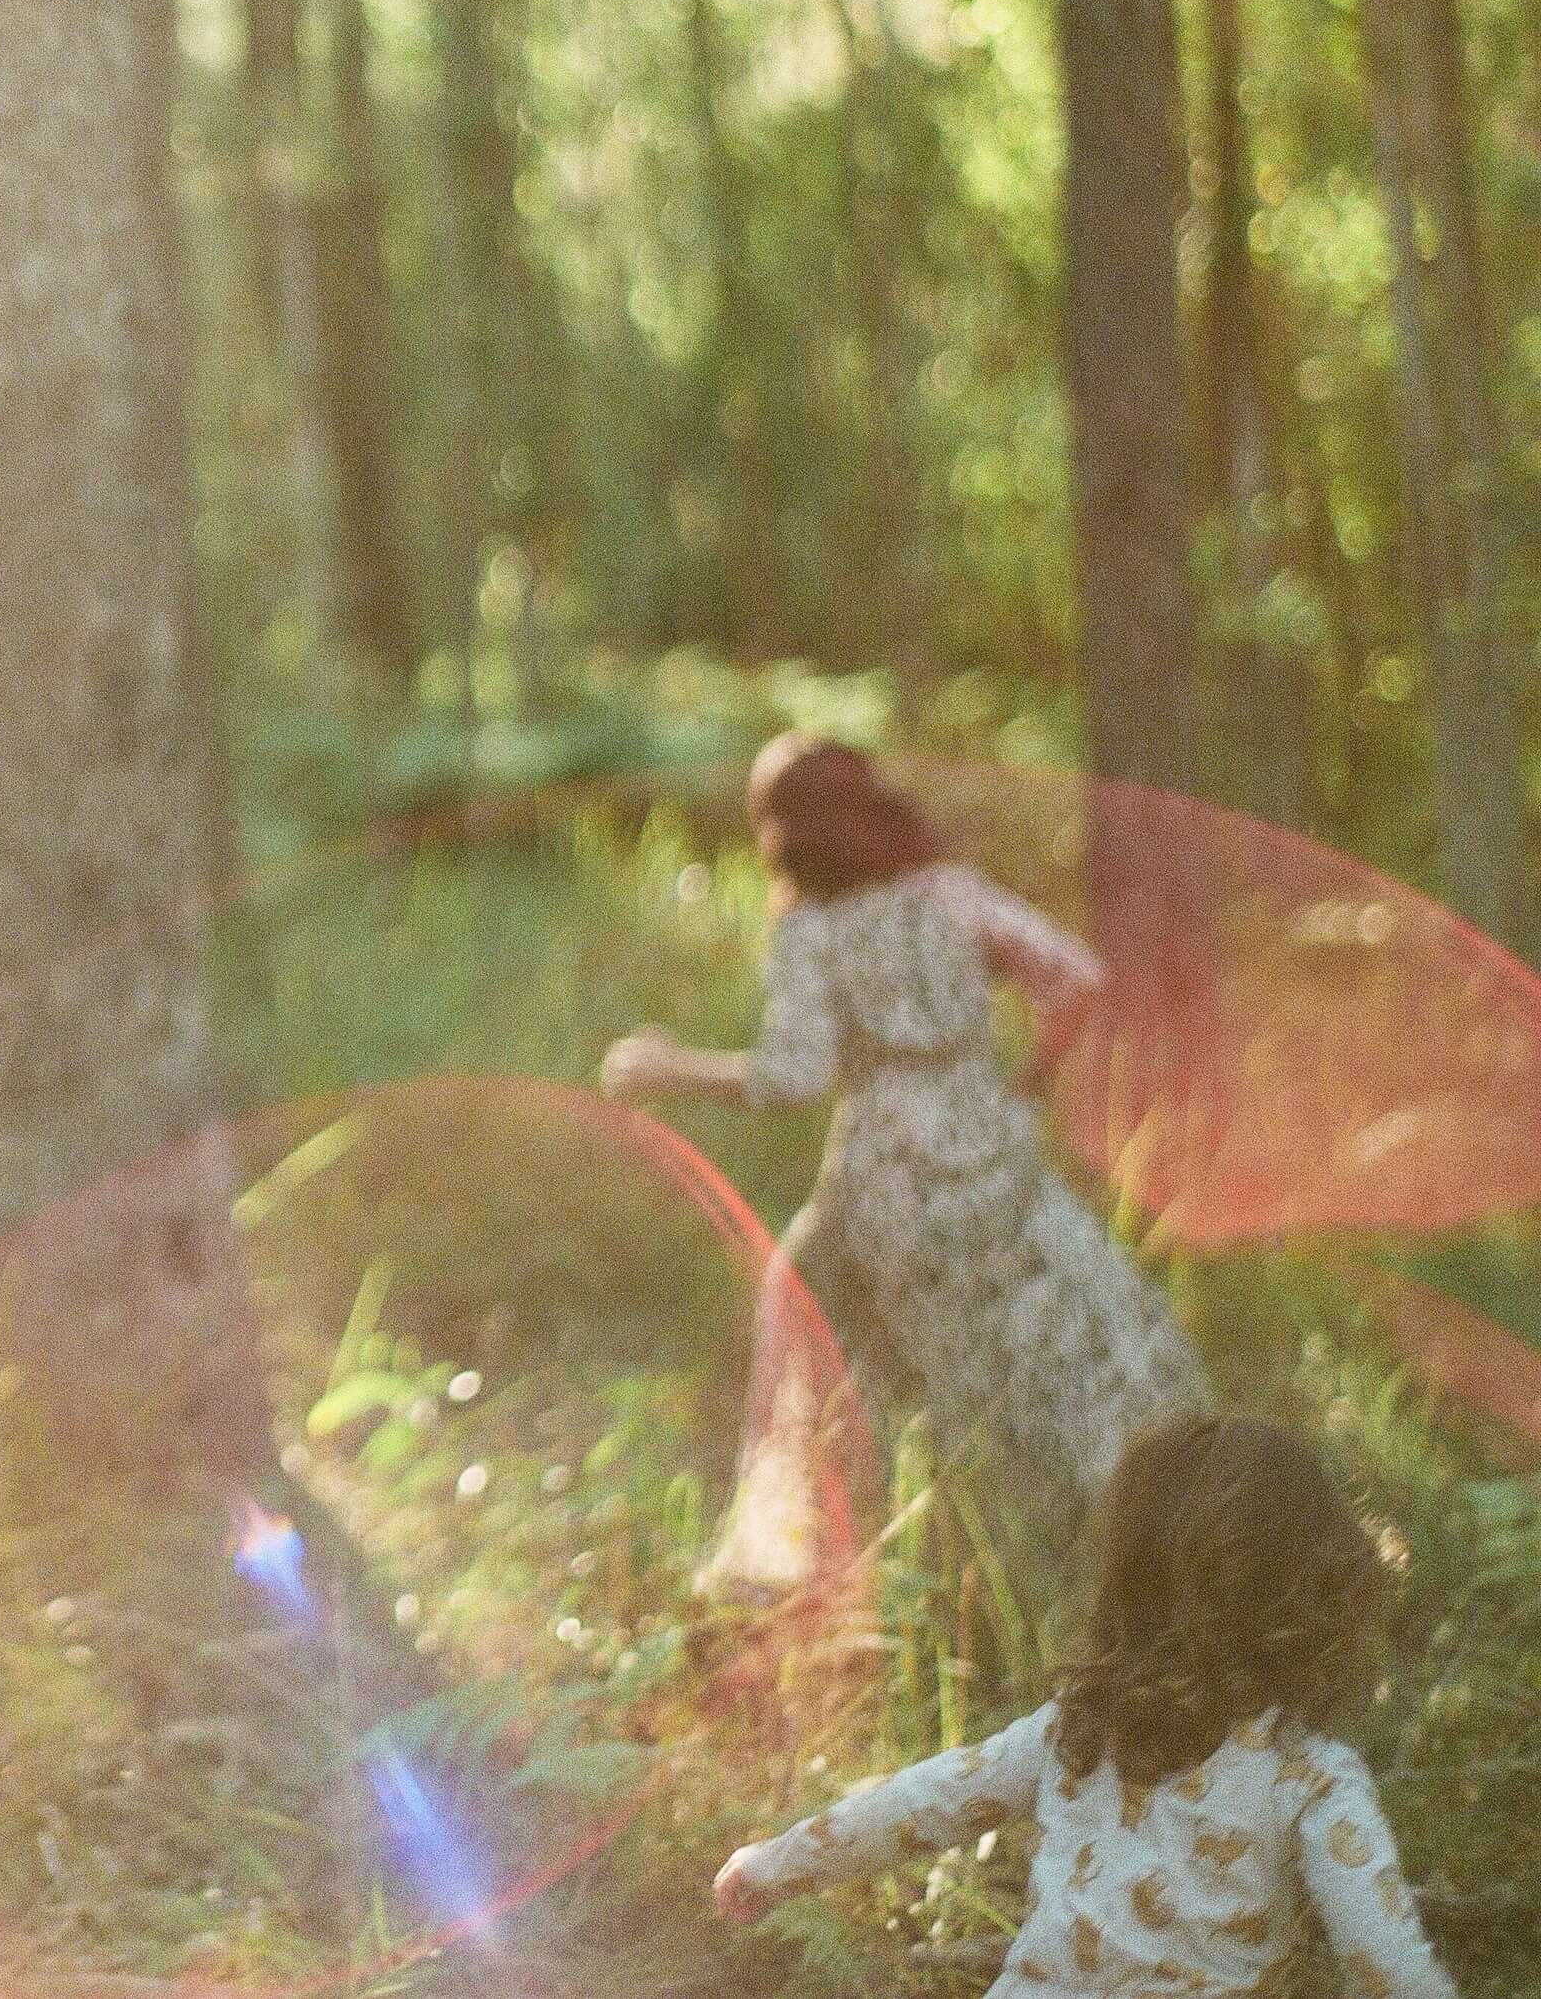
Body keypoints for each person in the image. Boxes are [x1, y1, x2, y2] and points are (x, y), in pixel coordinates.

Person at [601, 734, 1202, 1590]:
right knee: (1047, 1318)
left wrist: (670, 1066)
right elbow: (1077, 981)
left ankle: (802, 1560)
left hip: (892, 1172)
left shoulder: (816, 931)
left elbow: (794, 1075)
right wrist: (1021, 1082)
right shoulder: (952, 896)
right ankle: (1107, 1516)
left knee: (817, 1316)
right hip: (991, 1143)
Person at [712, 1413, 1461, 1999]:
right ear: (1317, 1595)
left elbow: (920, 1803)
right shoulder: (1312, 1779)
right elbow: (1389, 1967)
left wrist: (775, 1863)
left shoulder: (1074, 1731)